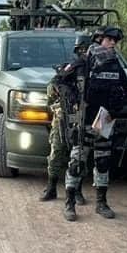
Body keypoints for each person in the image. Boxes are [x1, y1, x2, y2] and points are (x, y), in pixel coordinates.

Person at [58, 28, 127, 222]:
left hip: (105, 121)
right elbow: (60, 80)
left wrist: (115, 111)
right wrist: (73, 99)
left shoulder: (115, 64)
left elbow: (124, 89)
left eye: (115, 40)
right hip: (84, 120)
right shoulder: (83, 62)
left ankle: (101, 202)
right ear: (98, 40)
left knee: (103, 162)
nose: (113, 43)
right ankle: (70, 203)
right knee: (76, 162)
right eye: (109, 39)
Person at [41, 33, 90, 202]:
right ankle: (52, 186)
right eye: (82, 50)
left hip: (83, 118)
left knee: (79, 154)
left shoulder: (95, 70)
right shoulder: (70, 69)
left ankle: (77, 190)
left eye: (87, 49)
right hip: (64, 118)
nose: (85, 53)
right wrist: (61, 106)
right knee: (57, 151)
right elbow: (52, 89)